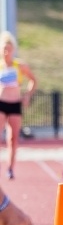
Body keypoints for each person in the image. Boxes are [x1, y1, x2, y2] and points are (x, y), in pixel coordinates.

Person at [0, 31, 37, 180]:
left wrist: (27, 95)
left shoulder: (19, 65)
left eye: (8, 49)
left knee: (13, 138)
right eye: (3, 49)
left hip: (15, 104)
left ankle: (10, 168)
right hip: (1, 103)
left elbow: (33, 80)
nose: (6, 52)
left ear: (13, 49)